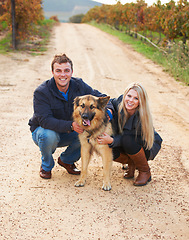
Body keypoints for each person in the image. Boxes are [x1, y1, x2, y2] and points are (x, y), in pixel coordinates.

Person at [28, 53, 111, 179]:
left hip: (69, 131)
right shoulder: (41, 92)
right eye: (58, 71)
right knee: (48, 135)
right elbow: (44, 121)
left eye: (66, 70)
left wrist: (109, 111)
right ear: (52, 72)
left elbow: (100, 97)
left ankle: (67, 160)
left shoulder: (79, 85)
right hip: (44, 131)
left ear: (71, 72)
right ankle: (46, 166)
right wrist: (71, 125)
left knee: (89, 133)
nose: (63, 75)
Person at [98, 82, 162, 186]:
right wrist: (109, 110)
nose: (130, 100)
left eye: (136, 98)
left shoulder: (142, 116)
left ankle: (145, 171)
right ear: (124, 95)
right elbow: (108, 101)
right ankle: (131, 163)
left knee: (127, 140)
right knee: (107, 147)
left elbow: (130, 137)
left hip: (145, 146)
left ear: (141, 102)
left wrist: (112, 140)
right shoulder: (119, 102)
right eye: (129, 96)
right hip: (126, 142)